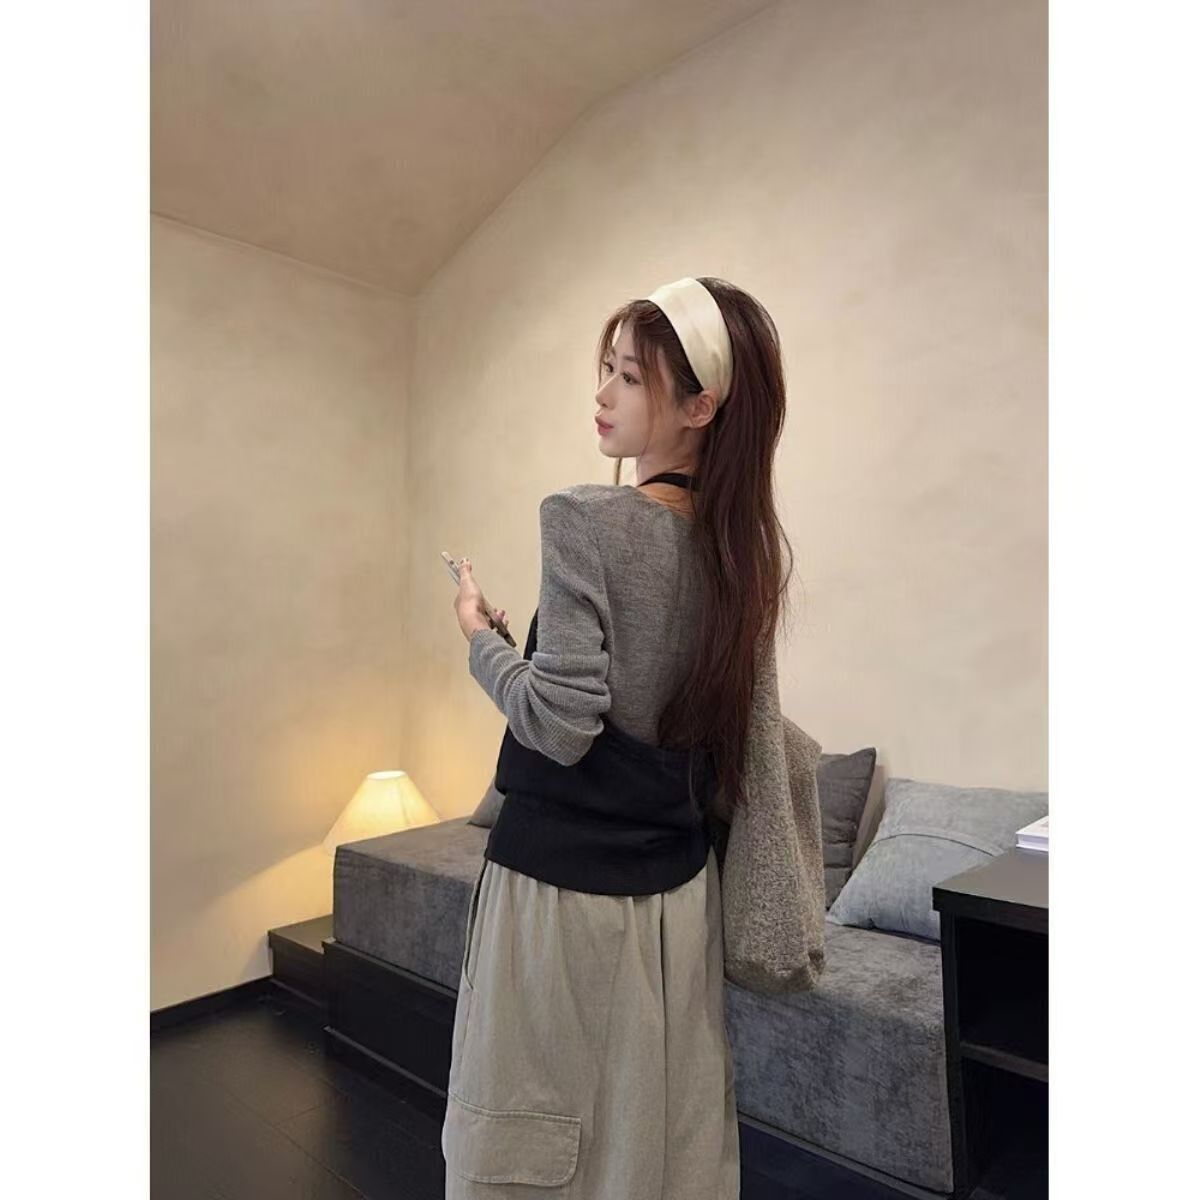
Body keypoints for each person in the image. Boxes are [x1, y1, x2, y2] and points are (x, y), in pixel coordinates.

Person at [443, 277, 798, 1198]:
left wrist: (481, 639)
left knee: (529, 1141)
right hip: (678, 902)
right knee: (653, 1149)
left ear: (700, 406)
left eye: (630, 377)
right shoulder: (743, 557)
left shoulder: (583, 518)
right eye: (606, 369)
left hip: (560, 900)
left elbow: (559, 727)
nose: (601, 393)